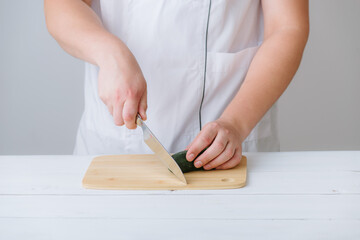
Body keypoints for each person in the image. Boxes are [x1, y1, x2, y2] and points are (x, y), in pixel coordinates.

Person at [44, 0, 309, 170]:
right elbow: (61, 5)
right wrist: (110, 54)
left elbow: (288, 27)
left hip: (231, 148)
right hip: (112, 152)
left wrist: (237, 123)